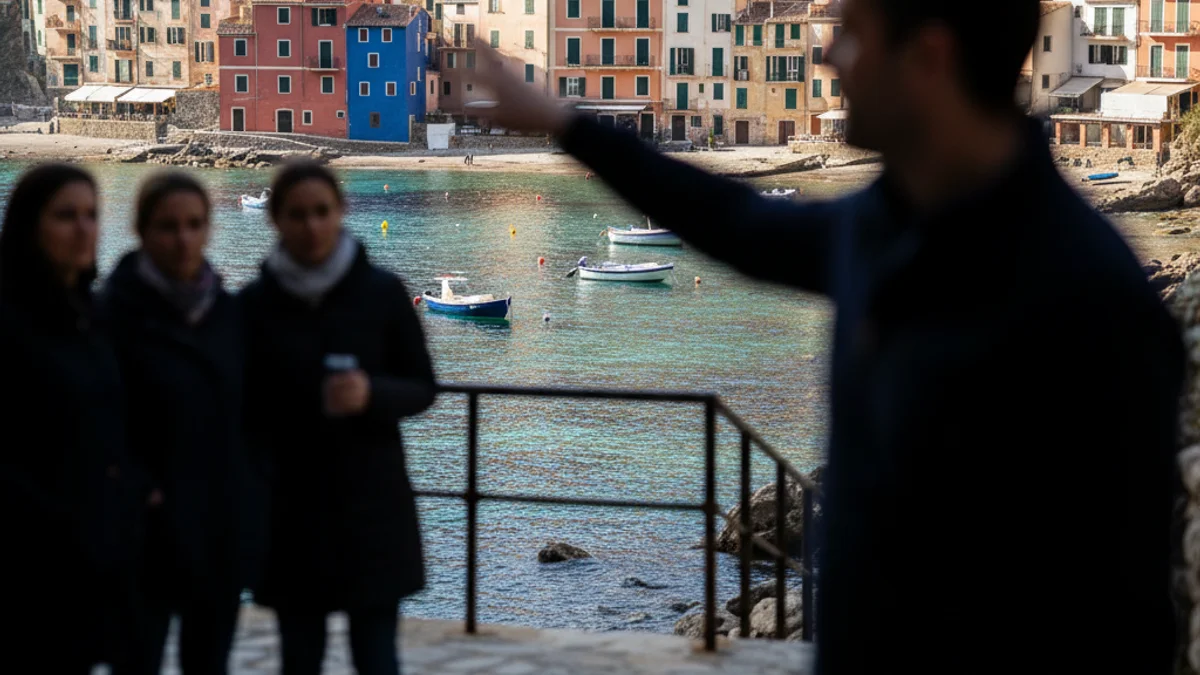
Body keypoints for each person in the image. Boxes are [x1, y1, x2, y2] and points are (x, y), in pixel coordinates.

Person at [473, 0, 1186, 671]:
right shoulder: (888, 223)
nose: (825, 57)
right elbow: (737, 223)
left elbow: (1126, 609)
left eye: (850, 32)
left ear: (928, 57)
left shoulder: (1088, 292)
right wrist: (567, 125)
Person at [241, 162, 437, 675]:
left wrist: (371, 392)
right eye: (297, 214)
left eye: (321, 212)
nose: (311, 226)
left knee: (376, 658)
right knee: (298, 658)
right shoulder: (252, 307)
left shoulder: (383, 293)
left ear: (341, 213)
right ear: (276, 220)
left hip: (371, 510)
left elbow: (423, 387)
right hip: (288, 514)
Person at [102, 172, 263, 675]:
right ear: (143, 230)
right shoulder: (108, 315)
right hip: (137, 534)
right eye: (168, 225)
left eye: (194, 224)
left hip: (218, 531)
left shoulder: (230, 314)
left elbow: (255, 418)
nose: (183, 238)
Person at [0, 164, 142, 673]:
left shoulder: (93, 316)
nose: (84, 229)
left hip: (95, 559)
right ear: (29, 225)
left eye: (92, 215)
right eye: (66, 216)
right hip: (30, 563)